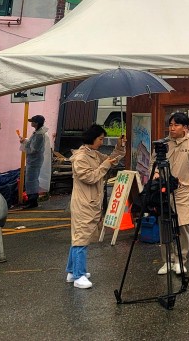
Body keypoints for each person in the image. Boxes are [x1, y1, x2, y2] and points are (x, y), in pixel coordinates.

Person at [66, 124, 125, 289]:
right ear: (92, 138)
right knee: (81, 239)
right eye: (100, 139)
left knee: (79, 236)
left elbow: (111, 159)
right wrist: (105, 165)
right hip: (84, 203)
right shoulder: (81, 157)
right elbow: (90, 177)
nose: (102, 142)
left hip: (90, 202)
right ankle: (79, 275)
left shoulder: (92, 153)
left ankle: (72, 271)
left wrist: (120, 146)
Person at [158, 112, 189, 275]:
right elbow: (153, 164)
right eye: (170, 125)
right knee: (164, 225)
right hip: (164, 191)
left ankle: (180, 260)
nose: (172, 128)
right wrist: (157, 175)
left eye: (176, 125)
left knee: (182, 226)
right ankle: (167, 261)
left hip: (184, 191)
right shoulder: (164, 144)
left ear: (185, 128)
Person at [19, 114, 52, 209]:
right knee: (31, 180)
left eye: (32, 121)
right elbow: (32, 143)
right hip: (34, 160)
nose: (31, 123)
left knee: (31, 180)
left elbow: (34, 149)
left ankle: (32, 201)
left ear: (36, 123)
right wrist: (25, 141)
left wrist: (25, 145)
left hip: (34, 161)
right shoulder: (38, 132)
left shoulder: (39, 135)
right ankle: (31, 200)